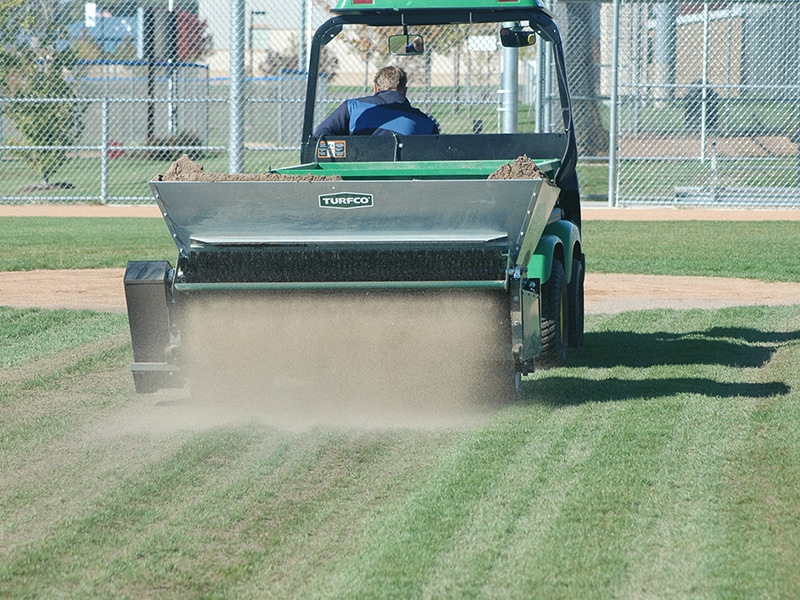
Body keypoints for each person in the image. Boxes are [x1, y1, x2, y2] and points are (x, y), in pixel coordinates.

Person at [314, 66, 438, 138]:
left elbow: (320, 135)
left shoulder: (352, 108)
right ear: (404, 92)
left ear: (375, 88)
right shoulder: (427, 123)